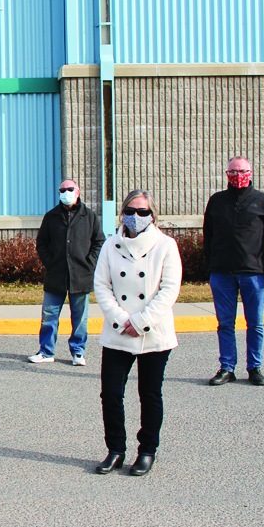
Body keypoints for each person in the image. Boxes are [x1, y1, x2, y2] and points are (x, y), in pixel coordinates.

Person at [92, 189, 182, 477]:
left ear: (152, 215)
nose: (136, 217)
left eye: (143, 212)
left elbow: (169, 290)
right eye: (130, 211)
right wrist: (121, 320)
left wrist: (141, 321)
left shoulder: (166, 245)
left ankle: (147, 451)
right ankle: (116, 449)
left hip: (153, 332)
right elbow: (102, 285)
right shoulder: (110, 245)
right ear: (122, 214)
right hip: (118, 331)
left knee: (150, 393)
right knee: (111, 394)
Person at [204, 156, 264, 387]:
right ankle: (227, 368)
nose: (238, 176)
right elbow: (208, 235)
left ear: (251, 172)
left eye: (242, 171)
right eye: (233, 172)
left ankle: (254, 367)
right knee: (225, 323)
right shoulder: (217, 201)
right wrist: (209, 267)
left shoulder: (262, 201)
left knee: (255, 322)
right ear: (227, 174)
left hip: (253, 273)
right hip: (222, 273)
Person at [29, 179, 105, 366]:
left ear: (78, 192)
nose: (66, 192)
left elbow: (99, 242)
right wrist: (50, 262)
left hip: (81, 275)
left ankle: (78, 352)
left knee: (80, 318)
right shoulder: (51, 216)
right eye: (62, 190)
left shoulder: (90, 216)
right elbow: (42, 243)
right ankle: (46, 351)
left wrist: (90, 263)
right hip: (56, 275)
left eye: (70, 189)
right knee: (49, 315)